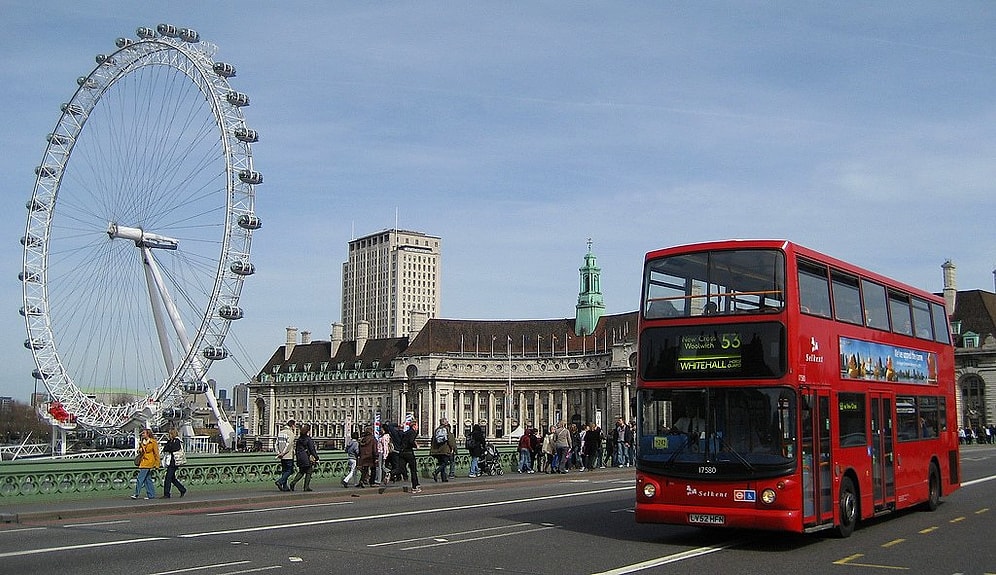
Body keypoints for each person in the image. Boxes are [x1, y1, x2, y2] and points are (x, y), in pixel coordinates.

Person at [381, 419, 421, 494]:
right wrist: (416, 445)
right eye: (417, 426)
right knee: (413, 470)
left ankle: (390, 473)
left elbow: (389, 426)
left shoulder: (400, 433)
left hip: (401, 452)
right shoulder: (411, 432)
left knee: (399, 468)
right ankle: (415, 487)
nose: (417, 427)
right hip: (409, 453)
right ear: (414, 426)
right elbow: (411, 441)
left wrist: (397, 424)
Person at [131, 428, 160, 500]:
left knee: (140, 478)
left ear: (148, 434)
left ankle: (136, 494)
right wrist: (140, 450)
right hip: (143, 461)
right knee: (147, 479)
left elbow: (156, 453)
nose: (142, 434)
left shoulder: (153, 442)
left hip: (149, 461)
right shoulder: (142, 442)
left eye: (144, 433)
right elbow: (140, 451)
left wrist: (157, 464)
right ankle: (151, 495)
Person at [288, 423, 318, 492]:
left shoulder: (299, 439)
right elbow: (312, 449)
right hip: (306, 457)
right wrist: (316, 457)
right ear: (308, 431)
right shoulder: (308, 439)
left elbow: (296, 449)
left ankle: (293, 483)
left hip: (300, 457)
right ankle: (306, 487)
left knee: (301, 471)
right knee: (309, 471)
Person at [161, 428, 186, 498]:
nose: (169, 435)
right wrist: (169, 448)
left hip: (175, 461)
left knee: (168, 478)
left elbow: (175, 448)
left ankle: (167, 494)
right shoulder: (170, 441)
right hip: (170, 461)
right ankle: (182, 489)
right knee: (172, 478)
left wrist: (169, 448)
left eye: (170, 434)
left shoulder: (177, 441)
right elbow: (165, 449)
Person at [274, 419, 296, 491]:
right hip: (288, 455)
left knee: (284, 471)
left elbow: (276, 444)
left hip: (281, 456)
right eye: (294, 425)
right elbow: (288, 445)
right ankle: (280, 481)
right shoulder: (291, 433)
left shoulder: (280, 432)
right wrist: (283, 453)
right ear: (292, 425)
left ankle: (285, 486)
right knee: (290, 471)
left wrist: (278, 453)